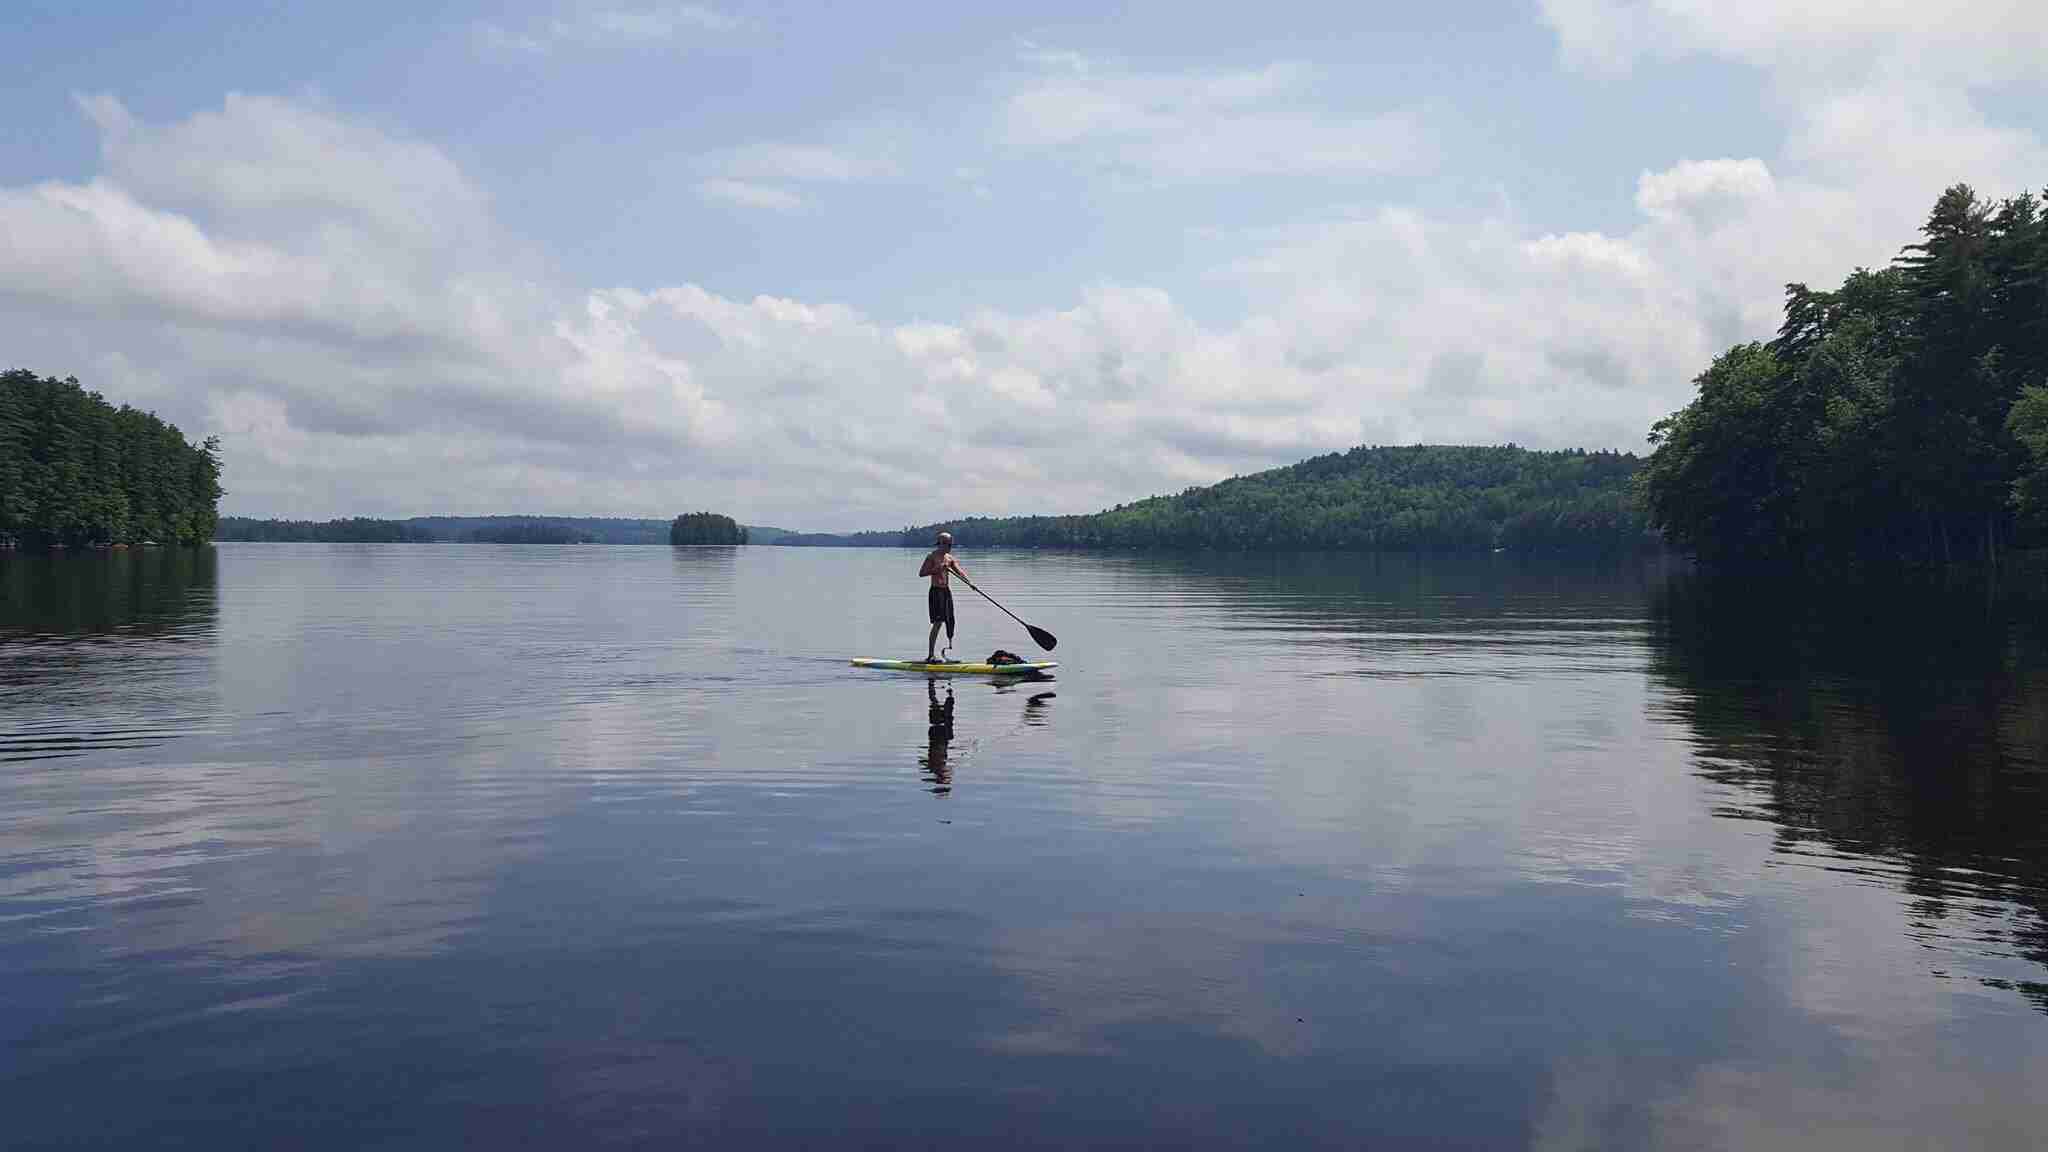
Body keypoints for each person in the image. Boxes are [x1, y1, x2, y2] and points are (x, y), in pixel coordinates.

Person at [918, 530, 967, 661]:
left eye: (951, 544)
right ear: (940, 543)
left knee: (950, 620)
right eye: (948, 544)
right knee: (938, 622)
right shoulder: (931, 556)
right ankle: (930, 655)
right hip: (935, 591)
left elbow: (960, 571)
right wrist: (939, 568)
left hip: (946, 592)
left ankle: (949, 649)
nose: (950, 547)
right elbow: (922, 573)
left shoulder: (950, 558)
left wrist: (970, 583)